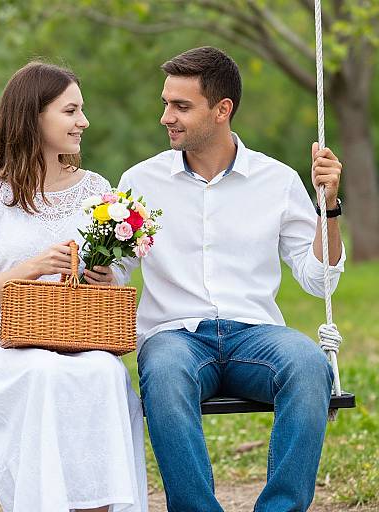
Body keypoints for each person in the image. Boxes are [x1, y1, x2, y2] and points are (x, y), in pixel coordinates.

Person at [112, 47, 345, 512]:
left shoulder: (276, 180)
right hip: (174, 336)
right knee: (163, 372)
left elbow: (319, 281)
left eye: (181, 106)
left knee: (307, 365)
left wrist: (330, 208)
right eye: (166, 103)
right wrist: (94, 265)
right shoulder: (140, 181)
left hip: (256, 335)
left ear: (222, 110)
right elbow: (114, 273)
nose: (166, 117)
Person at [0, 61, 148, 512]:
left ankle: (97, 507)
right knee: (45, 374)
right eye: (70, 111)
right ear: (33, 116)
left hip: (77, 332)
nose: (84, 122)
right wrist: (33, 267)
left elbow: (113, 276)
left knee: (104, 373)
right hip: (4, 341)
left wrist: (102, 276)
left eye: (81, 110)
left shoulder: (95, 188)